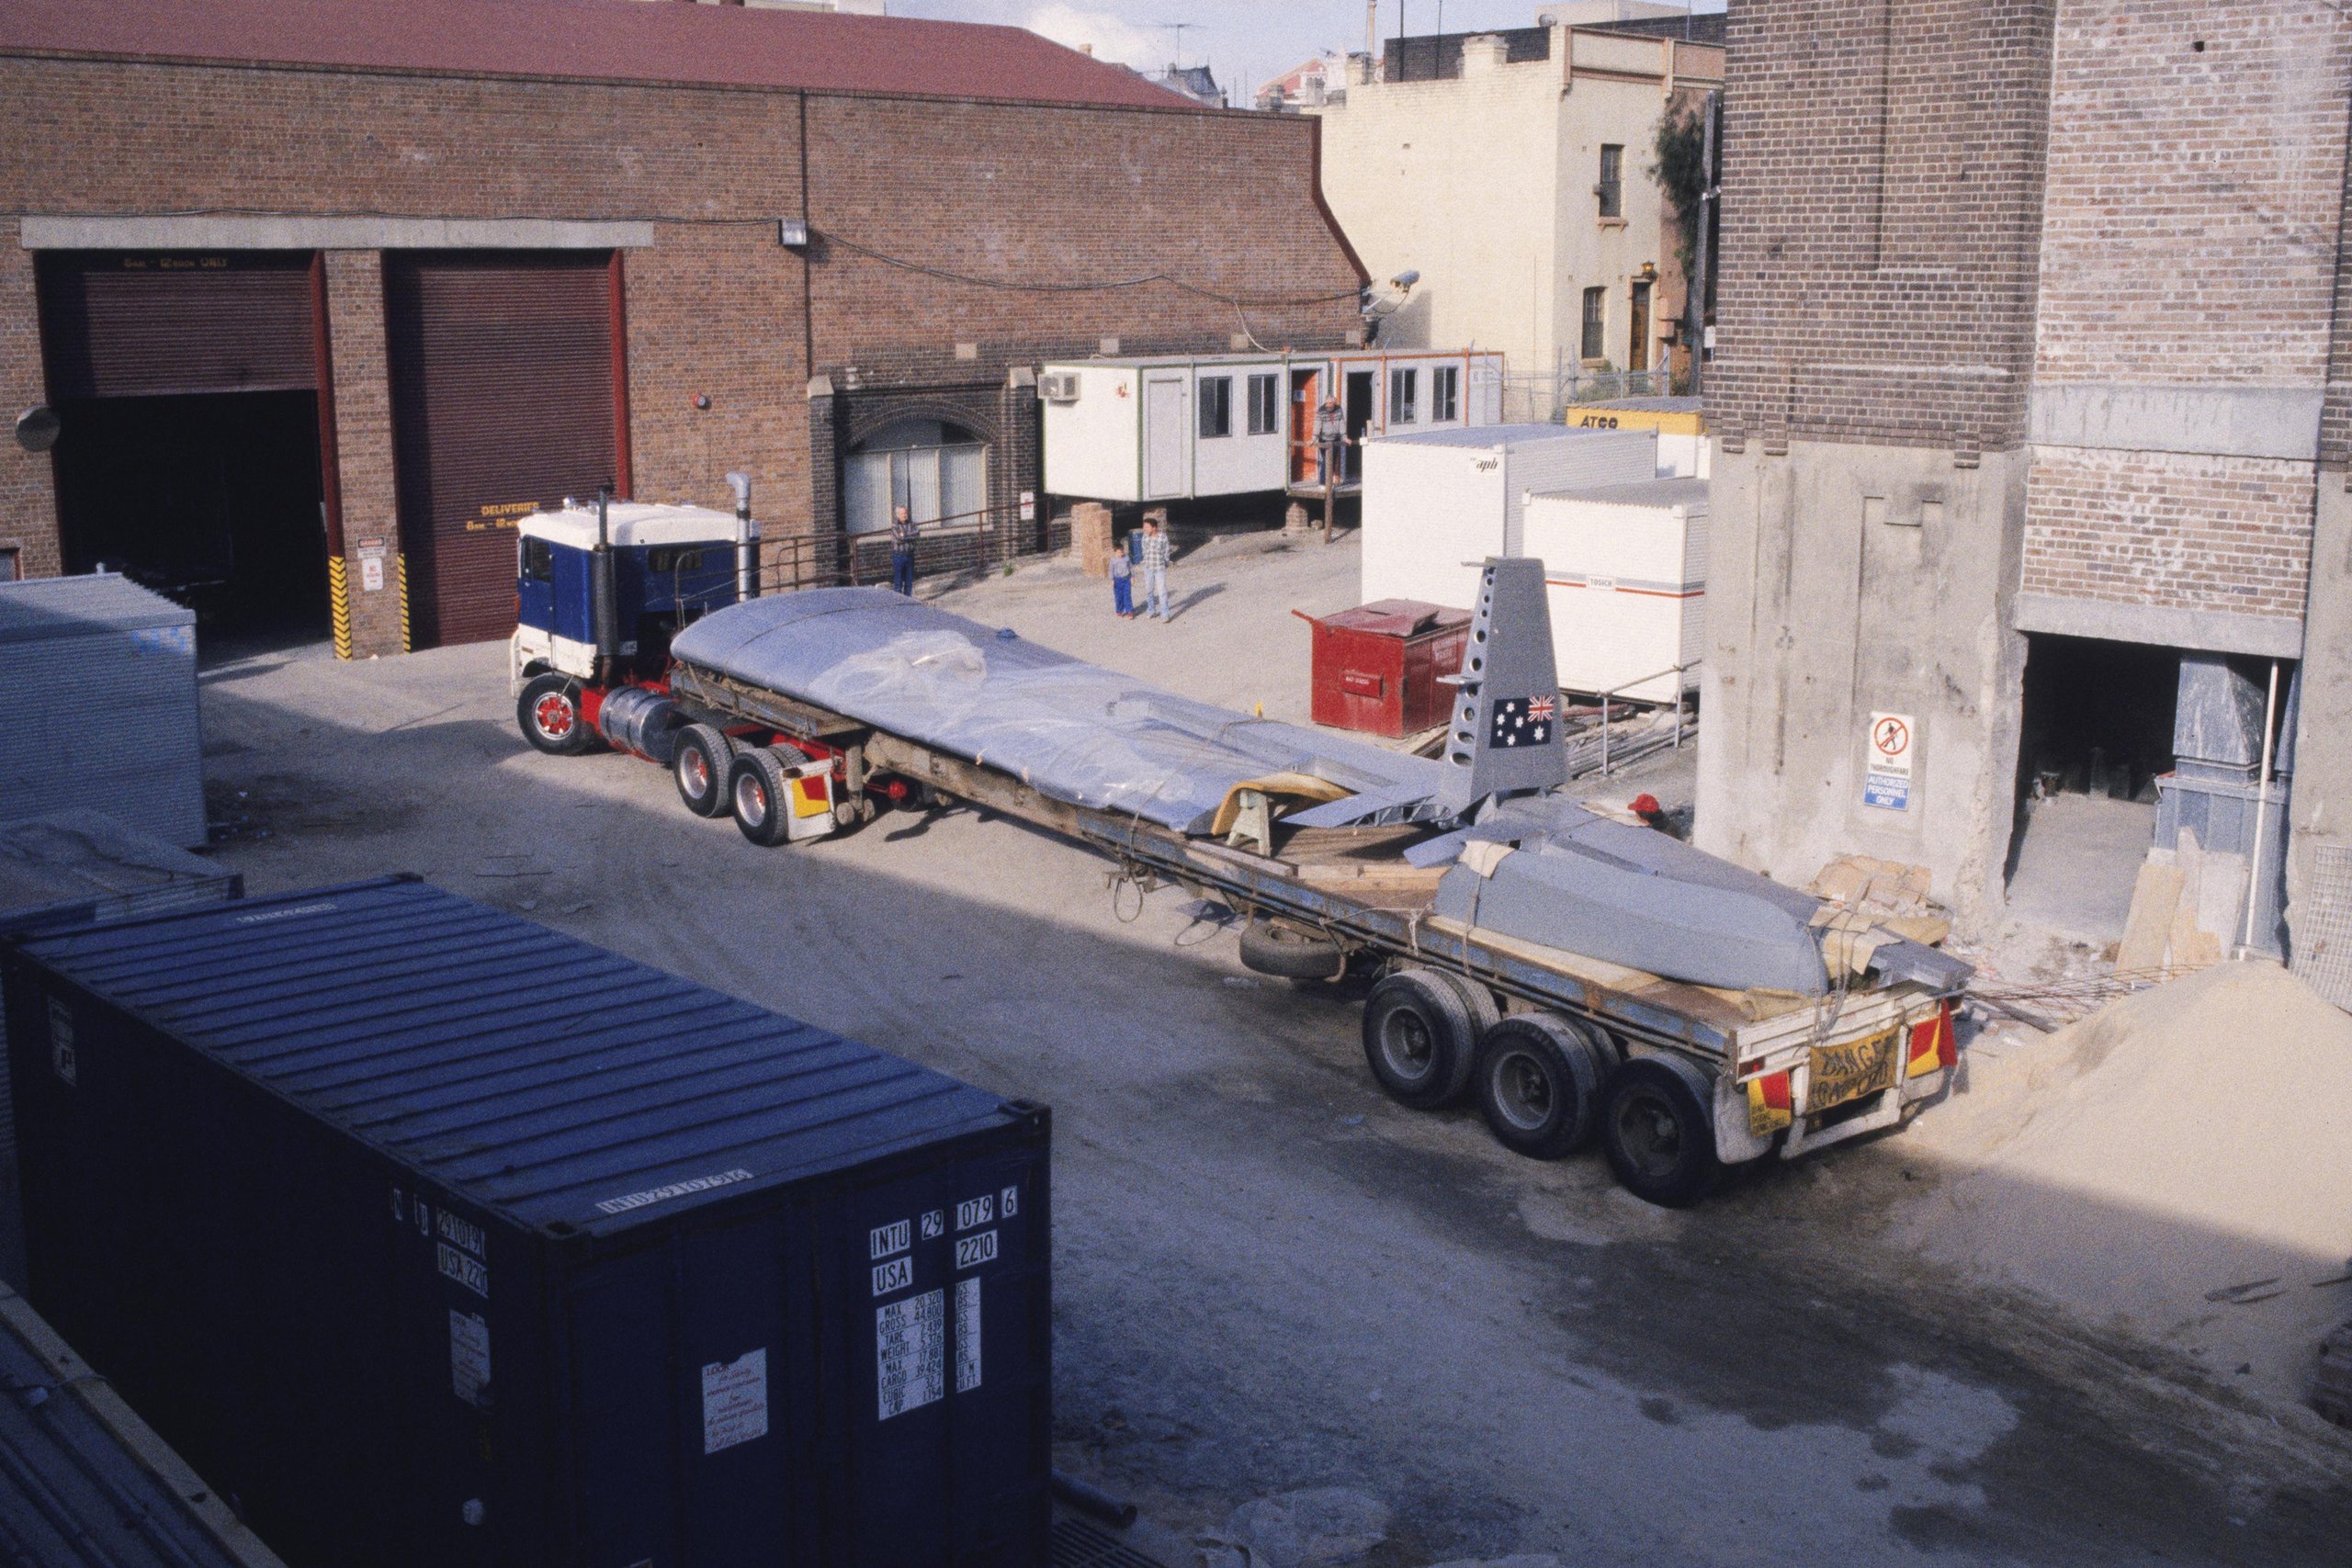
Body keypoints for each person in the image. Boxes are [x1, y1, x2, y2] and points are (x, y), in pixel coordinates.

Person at [1138, 516, 1170, 621]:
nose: (1145, 529)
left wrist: (1165, 562)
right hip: (1148, 568)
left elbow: (1166, 551)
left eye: (1147, 527)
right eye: (1144, 527)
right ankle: (1151, 611)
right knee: (1149, 591)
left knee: (1162, 592)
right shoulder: (1145, 537)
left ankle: (1165, 614)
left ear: (1154, 528)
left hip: (1159, 568)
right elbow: (1144, 551)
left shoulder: (1162, 537)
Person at [1314, 392, 1345, 484]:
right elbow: (1317, 425)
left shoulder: (1339, 410)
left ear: (1334, 403)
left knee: (1332, 461)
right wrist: (1314, 438)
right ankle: (1323, 483)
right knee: (1327, 460)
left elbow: (1342, 423)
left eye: (1330, 403)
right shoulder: (1321, 410)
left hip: (1335, 439)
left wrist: (1344, 436)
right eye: (1327, 403)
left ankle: (1328, 483)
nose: (1328, 405)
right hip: (1324, 438)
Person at [888, 503, 918, 595]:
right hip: (899, 556)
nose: (904, 515)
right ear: (897, 515)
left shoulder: (912, 524)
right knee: (898, 582)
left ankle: (908, 600)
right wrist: (909, 536)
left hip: (910, 555)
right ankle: (899, 604)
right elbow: (898, 539)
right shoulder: (895, 526)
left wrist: (904, 536)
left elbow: (916, 535)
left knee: (909, 582)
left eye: (905, 513)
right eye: (901, 514)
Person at [1108, 532, 1135, 617]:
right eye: (1119, 552)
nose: (1121, 554)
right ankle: (1120, 610)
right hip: (1117, 580)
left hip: (1126, 579)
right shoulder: (1113, 560)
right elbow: (1111, 570)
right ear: (1115, 552)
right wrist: (1112, 580)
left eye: (1122, 552)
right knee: (1118, 596)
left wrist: (1132, 577)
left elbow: (1130, 567)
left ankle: (1129, 611)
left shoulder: (1126, 558)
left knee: (1127, 595)